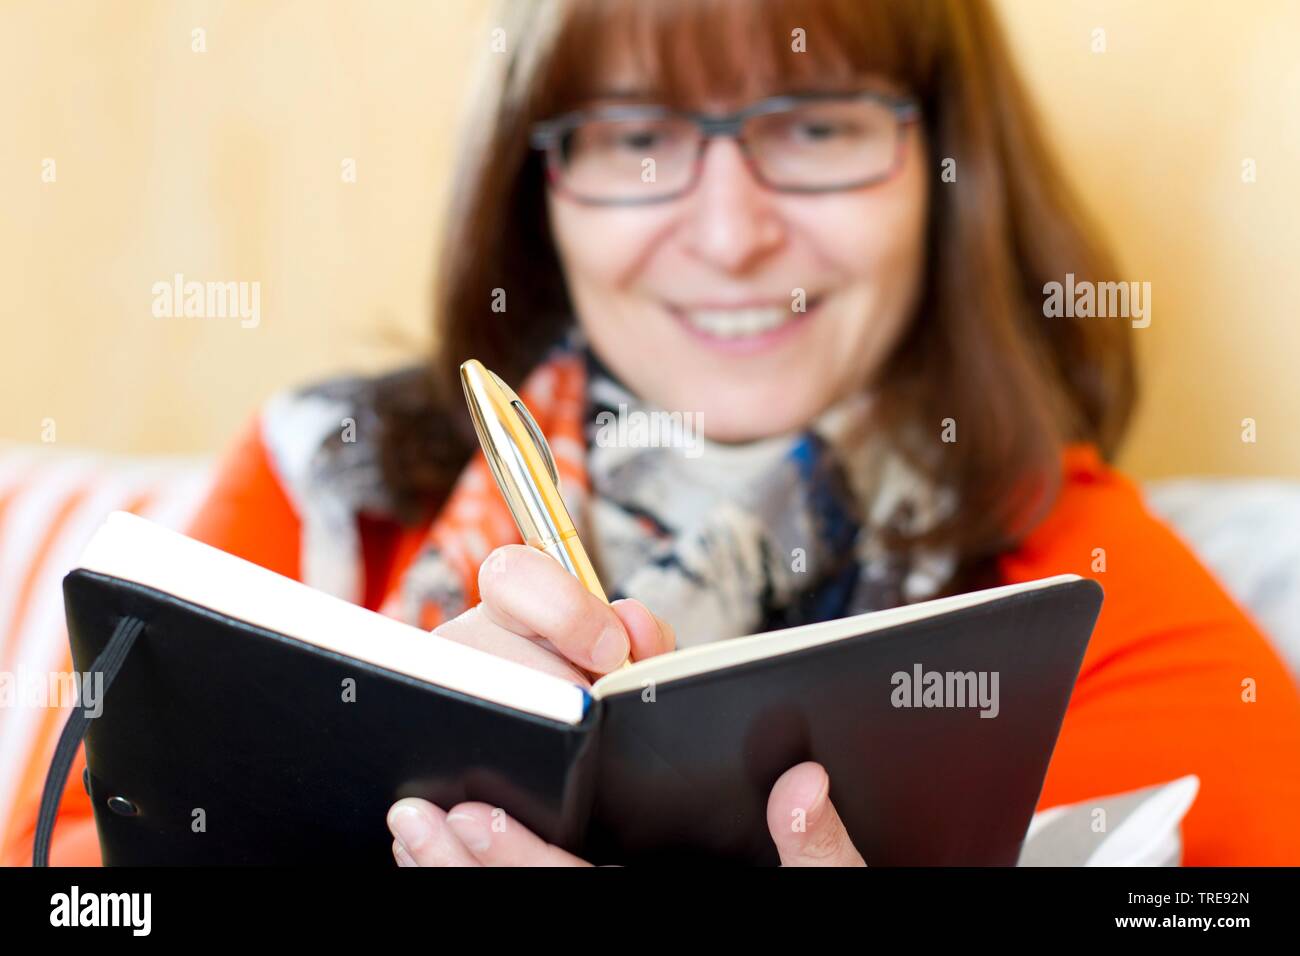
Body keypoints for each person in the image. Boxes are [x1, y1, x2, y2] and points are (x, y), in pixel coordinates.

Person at [15, 0, 1300, 867]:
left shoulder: (1081, 596)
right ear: (539, 193)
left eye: (813, 125)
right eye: (637, 137)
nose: (731, 231)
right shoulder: (325, 491)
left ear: (944, 174)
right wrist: (370, 793)